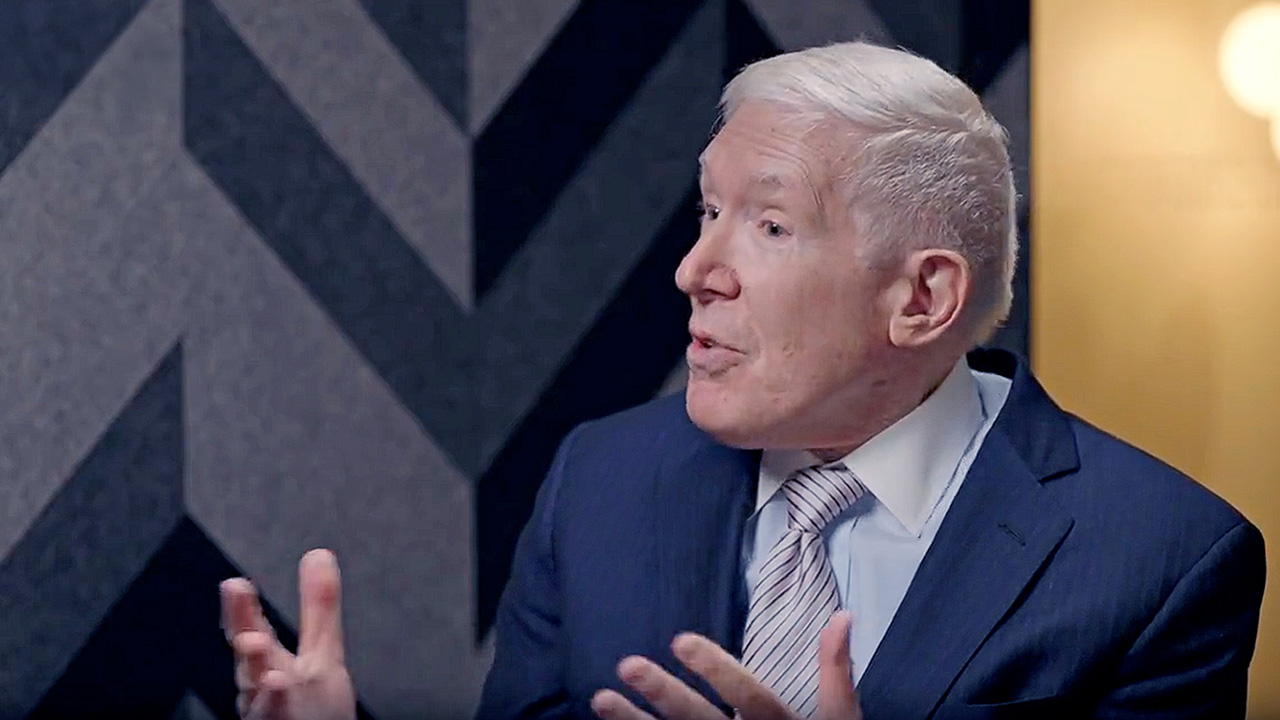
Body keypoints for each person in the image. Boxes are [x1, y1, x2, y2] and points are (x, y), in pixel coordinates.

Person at [220, 42, 1267, 720]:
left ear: (922, 297)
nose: (695, 271)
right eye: (707, 212)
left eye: (768, 225)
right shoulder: (602, 478)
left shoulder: (1162, 560)